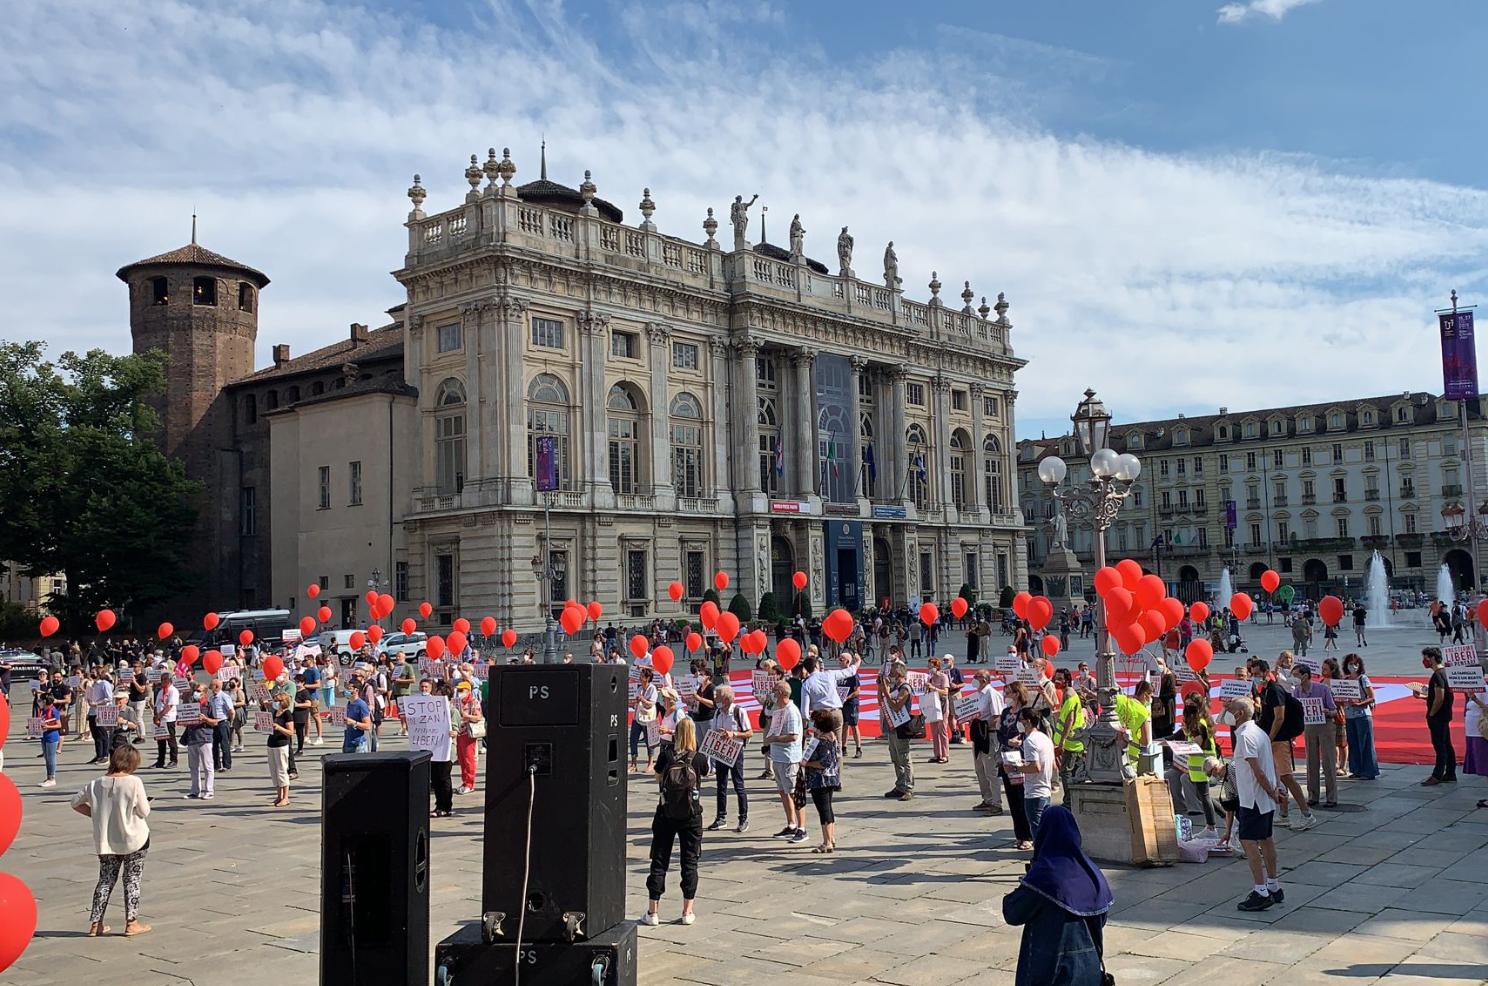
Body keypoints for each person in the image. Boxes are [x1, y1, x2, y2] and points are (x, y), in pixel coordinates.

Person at [1002, 806, 1113, 986]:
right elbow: (1101, 918)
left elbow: (1013, 913)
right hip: (1088, 967)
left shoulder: (1045, 875)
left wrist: (1026, 881)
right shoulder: (1092, 873)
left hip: (1050, 969)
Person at [71, 744, 152, 937]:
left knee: (105, 880)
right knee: (132, 879)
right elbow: (144, 811)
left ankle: (95, 923)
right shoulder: (134, 782)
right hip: (134, 838)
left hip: (106, 840)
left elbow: (75, 803)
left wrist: (97, 815)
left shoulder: (96, 783)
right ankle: (131, 922)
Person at [642, 717, 709, 927]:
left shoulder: (666, 755)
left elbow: (657, 776)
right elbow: (706, 773)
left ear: (676, 734)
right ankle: (687, 911)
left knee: (659, 859)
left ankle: (653, 912)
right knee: (690, 861)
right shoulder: (698, 757)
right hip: (691, 815)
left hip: (666, 813)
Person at [1228, 697, 1285, 910]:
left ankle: (1260, 890)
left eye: (1231, 708)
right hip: (1263, 798)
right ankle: (1273, 885)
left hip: (1253, 798)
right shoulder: (1259, 732)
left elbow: (1256, 769)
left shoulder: (1245, 736)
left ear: (1240, 714)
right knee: (1266, 839)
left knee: (1249, 841)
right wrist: (1275, 790)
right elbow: (1272, 766)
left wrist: (1271, 790)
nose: (1227, 711)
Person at [1257, 660, 1317, 829]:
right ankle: (1284, 814)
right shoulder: (1266, 690)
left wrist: (1269, 738)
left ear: (1266, 672)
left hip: (1279, 740)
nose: (1255, 677)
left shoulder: (1275, 690)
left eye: (1257, 673)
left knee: (1286, 777)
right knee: (1279, 778)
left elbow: (1279, 717)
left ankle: (1307, 815)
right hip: (1273, 739)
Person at [764, 679, 807, 843]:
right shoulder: (779, 710)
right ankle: (791, 824)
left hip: (789, 757)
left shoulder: (791, 711)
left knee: (794, 792)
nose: (773, 694)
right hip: (778, 756)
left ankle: (802, 827)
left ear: (781, 693)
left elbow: (793, 736)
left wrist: (775, 738)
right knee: (783, 791)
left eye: (775, 691)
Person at [707, 685, 752, 833]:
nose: (715, 698)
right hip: (721, 751)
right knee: (721, 785)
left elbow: (749, 732)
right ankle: (721, 817)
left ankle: (743, 818)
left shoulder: (739, 711)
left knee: (739, 785)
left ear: (725, 699)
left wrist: (734, 734)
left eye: (718, 696)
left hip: (735, 751)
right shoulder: (718, 713)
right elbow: (713, 730)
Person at [1294, 664, 1338, 807]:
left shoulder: (1322, 689)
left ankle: (1332, 797)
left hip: (1325, 725)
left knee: (1328, 762)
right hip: (1310, 726)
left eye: (1296, 675)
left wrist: (1326, 711)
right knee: (1311, 761)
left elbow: (1334, 711)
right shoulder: (1297, 691)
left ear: (1305, 675)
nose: (1293, 678)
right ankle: (1313, 795)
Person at [999, 682, 1034, 850]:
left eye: (1009, 692)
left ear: (1017, 694)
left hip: (1020, 757)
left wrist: (1020, 742)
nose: (1006, 695)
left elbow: (1031, 731)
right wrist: (1006, 741)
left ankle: (1028, 835)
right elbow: (999, 733)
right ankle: (1019, 835)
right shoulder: (1006, 712)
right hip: (1006, 756)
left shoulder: (1025, 712)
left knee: (1022, 797)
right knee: (1012, 798)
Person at [803, 708, 842, 853]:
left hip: (821, 779)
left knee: (823, 810)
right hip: (831, 777)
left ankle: (827, 842)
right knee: (828, 809)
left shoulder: (822, 741)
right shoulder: (831, 736)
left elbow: (824, 762)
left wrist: (807, 763)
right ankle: (831, 838)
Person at [1418, 646, 1456, 786]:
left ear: (1432, 659)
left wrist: (1432, 714)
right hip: (1445, 714)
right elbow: (1436, 696)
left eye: (1425, 658)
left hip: (1438, 716)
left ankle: (1437, 775)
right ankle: (1450, 772)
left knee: (1440, 746)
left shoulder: (1437, 675)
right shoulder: (1445, 673)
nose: (1424, 661)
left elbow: (1439, 697)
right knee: (1447, 744)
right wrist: (1423, 696)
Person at [1017, 707, 1056, 840]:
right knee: (1045, 827)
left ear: (1027, 722)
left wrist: (1016, 768)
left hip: (1034, 791)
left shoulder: (1030, 741)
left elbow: (1035, 767)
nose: (1019, 723)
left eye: (1020, 720)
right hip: (1046, 790)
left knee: (1037, 828)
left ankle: (1040, 855)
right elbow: (1052, 765)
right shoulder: (1045, 738)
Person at [971, 669, 1006, 815]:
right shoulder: (978, 694)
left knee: (991, 770)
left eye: (977, 677)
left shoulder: (992, 694)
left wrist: (983, 724)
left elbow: (996, 716)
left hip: (989, 735)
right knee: (980, 769)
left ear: (984, 679)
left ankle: (997, 803)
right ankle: (987, 799)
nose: (974, 679)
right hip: (978, 735)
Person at [1341, 653, 1379, 779]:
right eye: (1351, 664)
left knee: (1365, 743)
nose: (1353, 666)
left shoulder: (1363, 679)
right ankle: (1356, 770)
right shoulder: (1345, 680)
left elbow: (1371, 697)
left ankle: (1369, 771)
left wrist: (1359, 703)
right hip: (1349, 715)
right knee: (1353, 742)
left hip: (1362, 715)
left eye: (1355, 664)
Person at [1051, 669, 1085, 805]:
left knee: (1066, 772)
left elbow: (1069, 720)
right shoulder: (1067, 694)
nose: (1057, 681)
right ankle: (1076, 799)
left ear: (1066, 680)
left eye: (1060, 678)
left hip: (1071, 742)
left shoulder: (1069, 696)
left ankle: (1069, 800)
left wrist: (1062, 742)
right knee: (1077, 771)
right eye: (1056, 678)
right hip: (1075, 741)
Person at [881, 661, 915, 801]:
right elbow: (882, 702)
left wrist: (886, 693)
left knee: (904, 757)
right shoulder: (895, 687)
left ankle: (908, 787)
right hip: (892, 726)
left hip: (901, 726)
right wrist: (882, 689)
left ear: (899, 673)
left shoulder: (905, 688)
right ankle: (900, 785)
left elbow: (896, 706)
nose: (890, 675)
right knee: (895, 757)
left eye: (892, 672)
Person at [182, 685, 218, 800]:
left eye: (198, 691)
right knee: (193, 766)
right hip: (192, 738)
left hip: (204, 738)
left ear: (204, 693)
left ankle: (209, 790)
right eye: (195, 691)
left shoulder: (209, 704)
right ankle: (195, 791)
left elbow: (215, 722)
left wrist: (206, 719)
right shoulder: (191, 705)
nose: (196, 693)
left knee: (208, 766)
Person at [453, 680, 483, 795]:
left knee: (469, 759)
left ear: (468, 691)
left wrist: (467, 716)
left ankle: (470, 783)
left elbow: (478, 717)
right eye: (459, 690)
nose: (459, 692)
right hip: (459, 733)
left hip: (468, 734)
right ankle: (465, 781)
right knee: (461, 759)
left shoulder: (473, 702)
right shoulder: (459, 702)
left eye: (462, 690)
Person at [266, 691, 294, 807]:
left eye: (277, 700)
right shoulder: (274, 713)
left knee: (282, 769)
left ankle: (285, 797)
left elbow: (291, 732)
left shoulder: (287, 714)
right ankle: (279, 796)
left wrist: (279, 728)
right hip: (271, 743)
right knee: (274, 770)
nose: (275, 703)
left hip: (281, 743)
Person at [630, 666, 659, 773]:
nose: (640, 677)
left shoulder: (652, 688)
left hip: (648, 718)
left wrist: (643, 699)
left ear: (647, 678)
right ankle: (633, 763)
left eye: (642, 676)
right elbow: (636, 702)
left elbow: (651, 703)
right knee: (633, 739)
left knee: (649, 740)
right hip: (637, 716)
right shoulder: (639, 688)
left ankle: (650, 763)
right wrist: (634, 702)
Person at [923, 656, 950, 763]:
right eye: (928, 666)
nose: (929, 668)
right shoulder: (930, 678)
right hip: (933, 705)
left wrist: (933, 688)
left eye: (931, 666)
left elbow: (945, 692)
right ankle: (937, 754)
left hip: (942, 705)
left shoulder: (943, 677)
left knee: (942, 730)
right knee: (934, 731)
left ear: (936, 666)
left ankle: (945, 754)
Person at [150, 672, 179, 770]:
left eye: (164, 679)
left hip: (169, 718)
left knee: (171, 740)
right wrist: (155, 717)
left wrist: (159, 716)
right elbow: (156, 705)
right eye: (161, 679)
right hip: (160, 719)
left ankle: (173, 760)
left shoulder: (173, 691)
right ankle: (160, 761)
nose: (162, 681)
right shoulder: (161, 691)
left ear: (169, 680)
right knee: (160, 741)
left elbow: (169, 706)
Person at [838, 653, 863, 759]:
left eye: (841, 660)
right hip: (841, 703)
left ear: (847, 662)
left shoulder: (853, 674)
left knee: (853, 725)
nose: (839, 661)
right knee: (843, 725)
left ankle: (858, 748)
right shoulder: (839, 674)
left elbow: (857, 690)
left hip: (851, 703)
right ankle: (843, 747)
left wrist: (847, 698)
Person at [86, 672, 114, 764]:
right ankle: (99, 755)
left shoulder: (104, 683)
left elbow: (109, 698)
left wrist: (97, 704)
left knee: (102, 734)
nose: (92, 673)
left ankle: (105, 755)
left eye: (94, 672)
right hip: (92, 711)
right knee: (95, 734)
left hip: (101, 711)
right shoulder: (93, 684)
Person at [37, 692, 62, 788]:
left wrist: (47, 726)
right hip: (44, 736)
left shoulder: (53, 711)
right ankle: (49, 776)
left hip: (51, 736)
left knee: (51, 758)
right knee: (46, 758)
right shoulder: (43, 710)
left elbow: (59, 725)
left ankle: (51, 778)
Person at [343, 677, 373, 753]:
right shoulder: (349, 703)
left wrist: (354, 723)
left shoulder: (361, 705)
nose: (346, 691)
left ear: (356, 690)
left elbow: (367, 726)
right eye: (346, 688)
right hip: (348, 742)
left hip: (358, 744)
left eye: (349, 688)